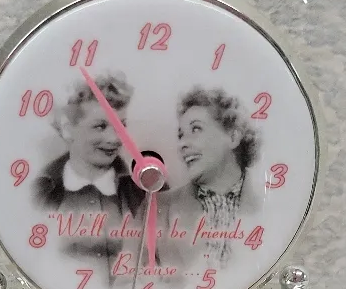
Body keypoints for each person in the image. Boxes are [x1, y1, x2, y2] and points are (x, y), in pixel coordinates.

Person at [34, 73, 144, 268]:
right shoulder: (40, 191)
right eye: (100, 126)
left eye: (121, 126)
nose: (115, 138)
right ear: (68, 129)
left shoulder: (142, 191)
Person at [164, 87, 260, 267]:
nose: (182, 143)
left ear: (233, 137)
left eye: (196, 129)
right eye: (180, 135)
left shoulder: (271, 205)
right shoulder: (157, 207)